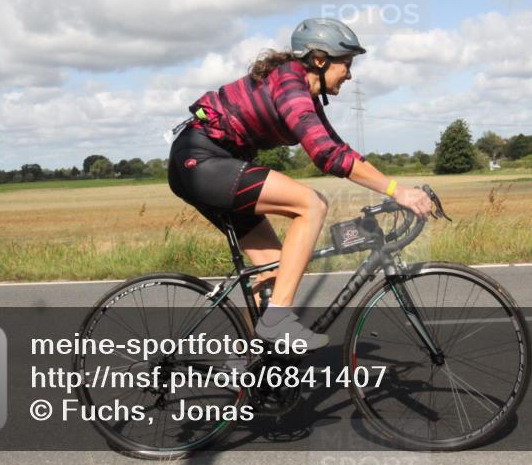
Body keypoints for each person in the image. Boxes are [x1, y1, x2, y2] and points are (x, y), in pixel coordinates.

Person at [167, 17, 433, 350]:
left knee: (275, 275)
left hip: (209, 164)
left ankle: (247, 367)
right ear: (319, 60)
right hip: (202, 161)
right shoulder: (290, 84)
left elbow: (338, 147)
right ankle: (276, 322)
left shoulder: (304, 92)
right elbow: (325, 156)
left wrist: (395, 187)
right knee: (312, 203)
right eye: (345, 64)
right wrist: (398, 191)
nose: (349, 74)